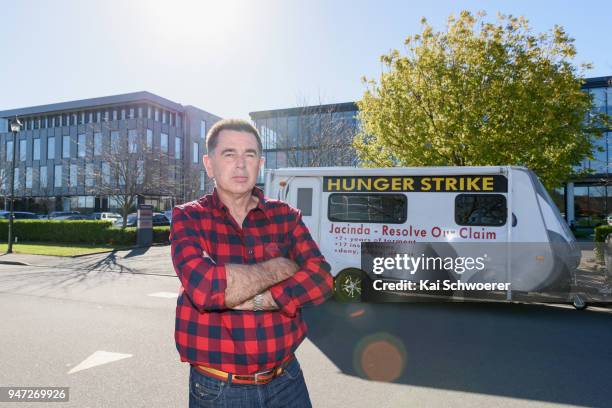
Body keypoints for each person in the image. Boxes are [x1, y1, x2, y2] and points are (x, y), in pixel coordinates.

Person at [170, 118, 333, 407]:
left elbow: (321, 279)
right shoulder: (189, 218)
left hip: (288, 381)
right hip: (218, 389)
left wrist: (263, 297)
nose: (241, 164)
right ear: (209, 164)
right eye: (229, 154)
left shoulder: (286, 216)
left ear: (261, 162)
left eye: (250, 154)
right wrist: (280, 267)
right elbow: (207, 289)